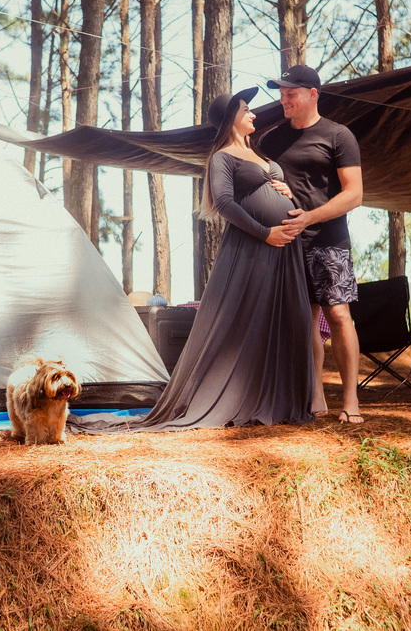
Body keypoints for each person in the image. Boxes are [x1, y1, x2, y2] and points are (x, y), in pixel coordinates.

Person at [71, 87, 315, 432]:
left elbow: (276, 192)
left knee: (288, 318)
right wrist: (265, 232)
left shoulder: (260, 154)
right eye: (247, 109)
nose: (254, 115)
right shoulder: (222, 157)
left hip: (286, 250)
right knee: (248, 321)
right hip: (253, 248)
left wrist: (289, 193)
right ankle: (239, 398)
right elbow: (226, 204)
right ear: (231, 117)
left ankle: (281, 401)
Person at [258, 65, 365, 424]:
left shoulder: (338, 136)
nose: (283, 99)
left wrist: (311, 216)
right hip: (286, 244)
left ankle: (351, 399)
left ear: (312, 94)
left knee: (338, 314)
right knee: (306, 320)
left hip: (330, 241)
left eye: (291, 93)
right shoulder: (270, 140)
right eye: (281, 93)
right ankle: (315, 395)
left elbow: (354, 194)